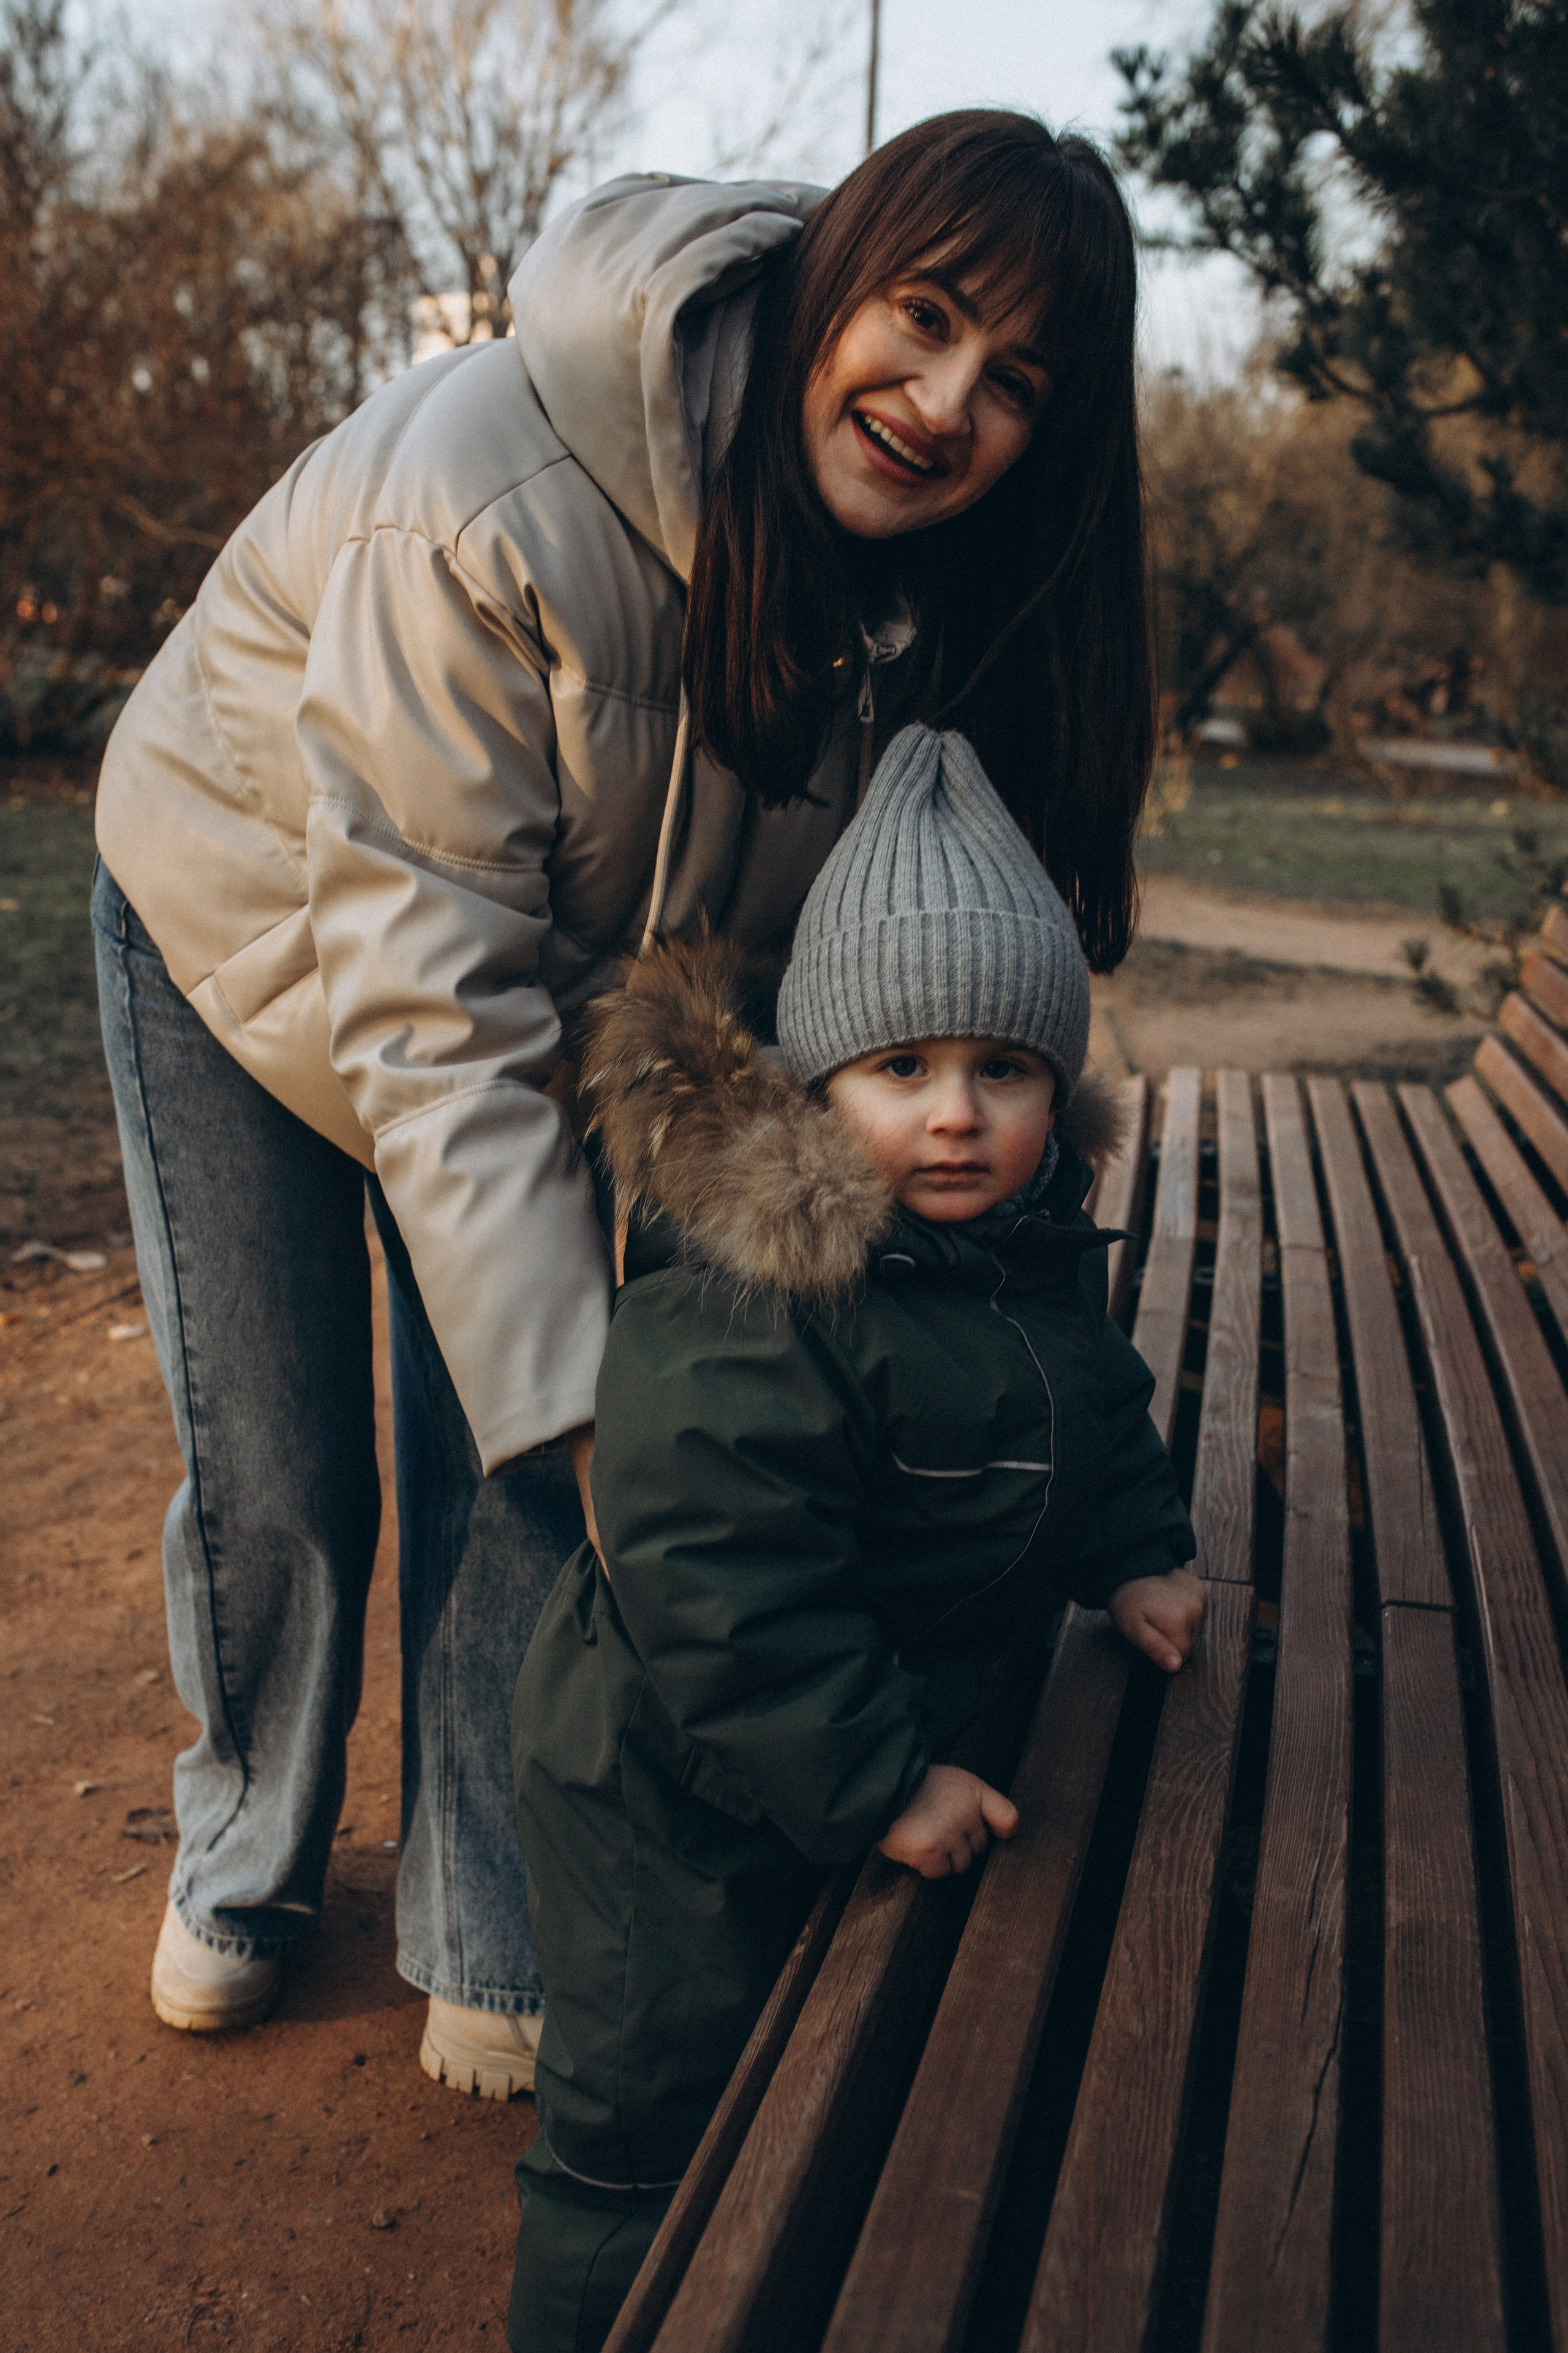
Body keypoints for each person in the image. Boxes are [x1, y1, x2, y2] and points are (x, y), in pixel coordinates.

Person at [91, 110, 1154, 2086]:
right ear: (833, 273)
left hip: (565, 986)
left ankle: (492, 1929)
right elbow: (431, 1012)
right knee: (300, 1454)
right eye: (922, 319)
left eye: (1014, 383)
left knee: (564, 1418)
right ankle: (243, 1852)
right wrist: (578, 1394)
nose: (943, 404)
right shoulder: (491, 489)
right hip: (242, 913)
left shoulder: (924, 592)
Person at [510, 724, 1202, 2352]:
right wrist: (882, 1776)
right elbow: (724, 1583)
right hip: (673, 1784)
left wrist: (1138, 1550)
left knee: (823, 2079)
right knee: (653, 2115)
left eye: (1003, 1068)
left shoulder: (1017, 1246)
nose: (955, 1115)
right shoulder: (766, 1291)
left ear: (1059, 1080)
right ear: (821, 1082)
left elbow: (1086, 1403)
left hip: (845, 1716)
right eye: (902, 1069)